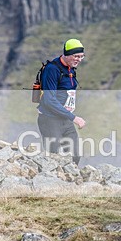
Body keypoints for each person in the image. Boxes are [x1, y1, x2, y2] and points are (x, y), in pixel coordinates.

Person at [37, 38, 87, 166]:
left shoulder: (71, 69)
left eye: (81, 56)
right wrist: (74, 118)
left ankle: (69, 182)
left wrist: (70, 116)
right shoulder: (52, 69)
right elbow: (49, 100)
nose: (79, 60)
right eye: (76, 56)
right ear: (66, 54)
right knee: (52, 157)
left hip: (65, 120)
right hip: (50, 120)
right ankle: (50, 183)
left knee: (75, 155)